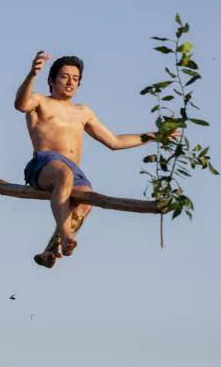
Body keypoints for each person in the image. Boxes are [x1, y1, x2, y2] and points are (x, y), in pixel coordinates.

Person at [14, 51, 177, 268]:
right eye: (64, 77)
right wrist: (32, 74)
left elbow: (114, 142)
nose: (71, 82)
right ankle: (66, 234)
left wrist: (155, 136)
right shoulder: (40, 101)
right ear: (51, 80)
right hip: (45, 163)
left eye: (75, 79)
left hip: (72, 170)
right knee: (64, 174)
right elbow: (20, 104)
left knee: (86, 200)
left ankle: (50, 251)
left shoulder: (83, 112)